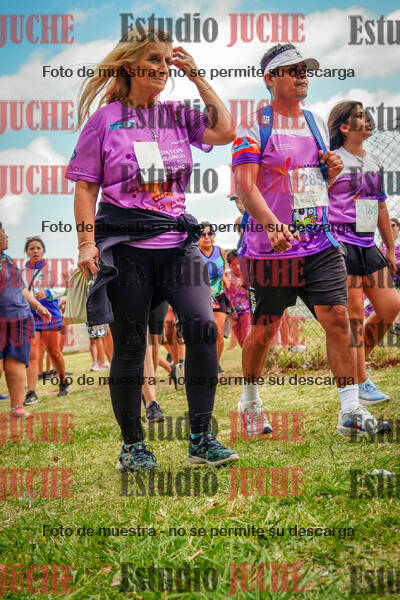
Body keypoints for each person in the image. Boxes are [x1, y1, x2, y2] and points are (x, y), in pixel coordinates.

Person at [66, 26, 238, 471]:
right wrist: (86, 242)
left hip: (177, 242)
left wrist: (197, 76)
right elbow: (85, 187)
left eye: (166, 60)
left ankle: (201, 438)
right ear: (129, 65)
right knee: (130, 345)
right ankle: (133, 446)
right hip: (127, 247)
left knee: (204, 328)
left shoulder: (176, 114)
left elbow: (225, 131)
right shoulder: (104, 121)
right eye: (154, 60)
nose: (163, 68)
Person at [232, 43, 391, 438]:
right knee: (265, 331)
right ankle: (250, 401)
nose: (302, 75)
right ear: (270, 79)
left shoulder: (316, 121)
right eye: (292, 69)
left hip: (319, 242)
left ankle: (350, 411)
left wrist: (331, 169)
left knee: (338, 317)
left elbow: (319, 181)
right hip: (270, 249)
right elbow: (245, 186)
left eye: (304, 69)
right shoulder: (253, 125)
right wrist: (272, 226)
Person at [327, 101, 400, 404]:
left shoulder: (374, 162)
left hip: (368, 243)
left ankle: (356, 366)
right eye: (358, 116)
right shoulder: (332, 159)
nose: (366, 119)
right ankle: (360, 381)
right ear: (344, 127)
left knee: (390, 307)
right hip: (340, 243)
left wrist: (390, 247)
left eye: (365, 114)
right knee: (354, 314)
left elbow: (380, 206)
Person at [0, 224, 51, 417]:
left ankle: (17, 407)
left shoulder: (8, 260)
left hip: (20, 318)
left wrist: (38, 307)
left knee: (16, 361)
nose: (6, 236)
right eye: (2, 232)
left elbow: (22, 289)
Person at [22, 237, 70, 403]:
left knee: (54, 351)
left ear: (43, 251)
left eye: (38, 248)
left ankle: (63, 381)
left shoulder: (52, 269)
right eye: (31, 248)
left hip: (51, 315)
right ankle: (31, 393)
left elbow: (61, 288)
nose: (35, 251)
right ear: (27, 252)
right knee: (32, 354)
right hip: (31, 315)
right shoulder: (21, 273)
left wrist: (48, 293)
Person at [198, 222, 229, 370]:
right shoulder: (194, 253)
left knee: (218, 331)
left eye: (210, 233)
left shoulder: (220, 251)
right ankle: (203, 362)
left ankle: (214, 365)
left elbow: (222, 270)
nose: (207, 237)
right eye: (203, 234)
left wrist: (224, 278)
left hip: (219, 296)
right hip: (201, 298)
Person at [224, 249, 251, 347]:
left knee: (245, 337)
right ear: (229, 265)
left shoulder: (248, 276)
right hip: (232, 312)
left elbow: (252, 295)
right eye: (234, 264)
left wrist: (245, 286)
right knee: (240, 339)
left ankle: (252, 356)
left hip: (246, 311)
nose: (237, 267)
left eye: (239, 263)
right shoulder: (227, 275)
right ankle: (249, 355)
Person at [381, 217, 400, 335]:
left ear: (398, 227)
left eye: (393, 225)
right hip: (388, 273)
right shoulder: (384, 243)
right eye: (388, 225)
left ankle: (398, 326)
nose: (391, 228)